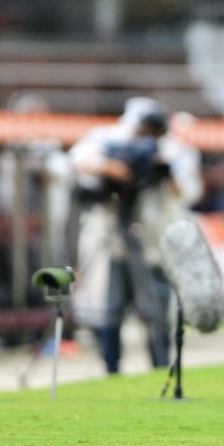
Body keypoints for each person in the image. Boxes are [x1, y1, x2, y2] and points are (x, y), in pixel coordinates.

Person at [70, 97, 199, 374]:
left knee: (155, 304)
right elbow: (80, 160)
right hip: (115, 236)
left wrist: (164, 170)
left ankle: (161, 363)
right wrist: (113, 168)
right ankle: (111, 365)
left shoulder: (172, 151)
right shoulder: (108, 142)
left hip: (153, 242)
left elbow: (188, 192)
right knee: (112, 303)